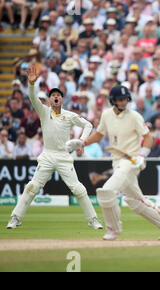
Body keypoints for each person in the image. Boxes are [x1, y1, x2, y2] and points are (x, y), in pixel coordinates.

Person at [7, 64, 103, 230]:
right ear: (50, 100)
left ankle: (93, 220)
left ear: (62, 99)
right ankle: (15, 217)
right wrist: (31, 85)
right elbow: (33, 99)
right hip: (48, 156)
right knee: (33, 187)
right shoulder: (44, 112)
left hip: (64, 156)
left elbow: (88, 124)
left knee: (78, 189)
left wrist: (81, 141)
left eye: (58, 95)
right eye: (53, 96)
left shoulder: (69, 115)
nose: (55, 97)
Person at [82, 85, 160, 241]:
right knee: (135, 200)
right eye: (120, 99)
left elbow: (148, 138)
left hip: (131, 161)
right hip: (117, 161)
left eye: (125, 99)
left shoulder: (134, 116)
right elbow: (99, 134)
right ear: (113, 100)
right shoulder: (106, 115)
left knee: (106, 192)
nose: (123, 102)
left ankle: (113, 229)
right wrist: (83, 142)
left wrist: (143, 154)